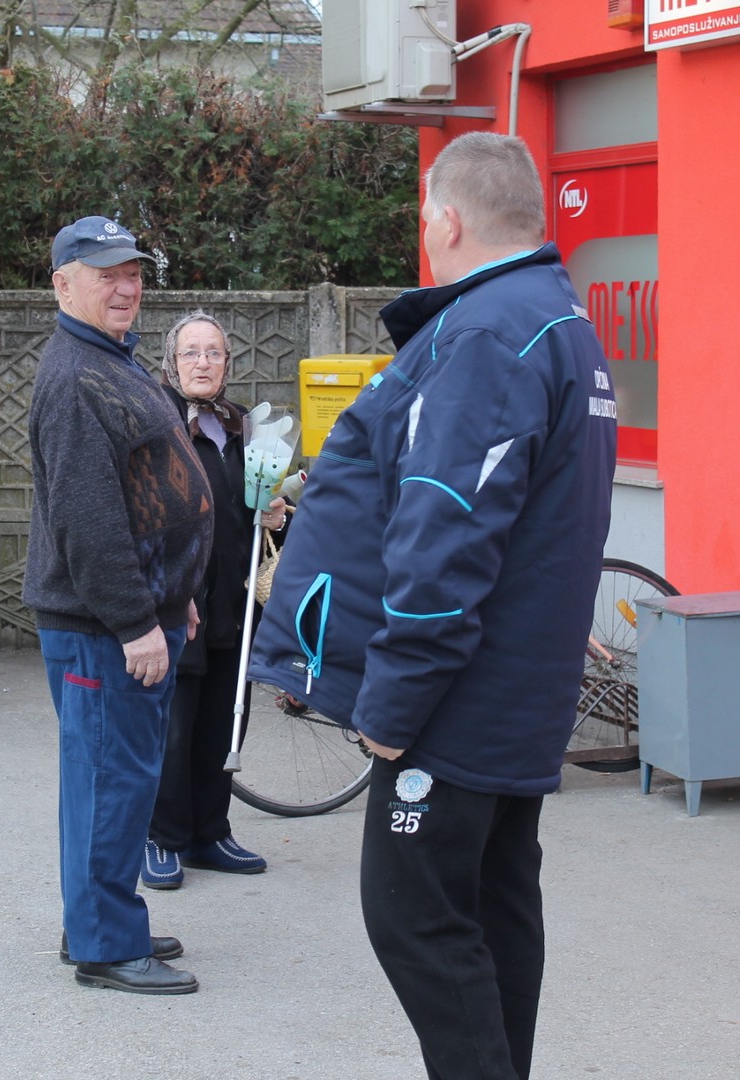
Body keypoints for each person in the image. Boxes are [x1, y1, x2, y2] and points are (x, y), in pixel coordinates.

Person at [247, 132, 618, 1077]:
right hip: (512, 699)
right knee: (494, 912)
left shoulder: (489, 335)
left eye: (423, 219)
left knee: (415, 917)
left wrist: (392, 710)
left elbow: (445, 529)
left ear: (448, 221)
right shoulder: (558, 324)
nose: (425, 235)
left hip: (457, 707)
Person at [23, 215, 214, 996]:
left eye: (132, 273)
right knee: (110, 784)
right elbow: (89, 523)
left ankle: (101, 920)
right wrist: (138, 621)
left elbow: (140, 496)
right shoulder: (73, 378)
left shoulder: (109, 361)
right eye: (106, 274)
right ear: (63, 284)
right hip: (106, 630)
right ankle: (104, 945)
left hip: (137, 615)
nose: (126, 287)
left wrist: (179, 597)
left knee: (110, 783)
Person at [142, 313, 286, 890]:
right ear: (171, 362)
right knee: (174, 726)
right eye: (191, 353)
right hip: (178, 598)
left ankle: (210, 832)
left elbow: (254, 504)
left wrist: (274, 510)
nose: (203, 362)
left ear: (227, 363)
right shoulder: (156, 423)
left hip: (234, 596)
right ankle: (160, 837)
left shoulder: (244, 424)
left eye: (214, 353)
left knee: (228, 720)